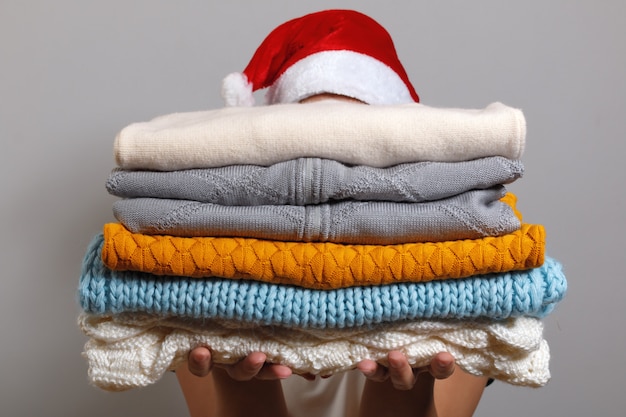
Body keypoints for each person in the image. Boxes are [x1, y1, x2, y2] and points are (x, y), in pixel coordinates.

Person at [176, 10, 489, 417]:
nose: (330, 175)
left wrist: (405, 393)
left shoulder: (455, 273)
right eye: (308, 141)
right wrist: (239, 387)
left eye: (357, 144)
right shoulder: (206, 273)